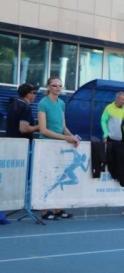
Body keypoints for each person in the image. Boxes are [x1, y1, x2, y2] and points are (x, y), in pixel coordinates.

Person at [38, 76, 78, 220]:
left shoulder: (61, 103)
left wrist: (72, 137)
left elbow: (63, 127)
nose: (58, 88)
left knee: (60, 176)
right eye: (55, 85)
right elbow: (43, 130)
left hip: (60, 146)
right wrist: (65, 137)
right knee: (47, 177)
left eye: (60, 85)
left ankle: (58, 209)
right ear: (48, 87)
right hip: (47, 144)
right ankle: (45, 211)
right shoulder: (43, 103)